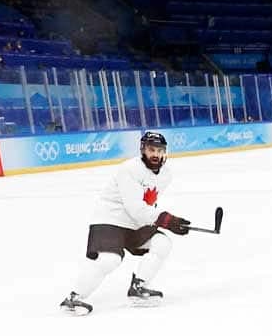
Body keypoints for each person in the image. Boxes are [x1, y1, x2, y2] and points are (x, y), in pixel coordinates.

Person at [58, 130, 190, 315]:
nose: (156, 154)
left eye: (160, 150)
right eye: (151, 150)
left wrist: (171, 222)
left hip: (135, 222)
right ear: (142, 150)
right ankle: (73, 299)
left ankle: (138, 287)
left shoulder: (165, 175)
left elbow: (146, 204)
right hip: (110, 218)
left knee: (162, 243)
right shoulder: (129, 169)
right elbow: (135, 207)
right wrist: (166, 219)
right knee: (110, 259)